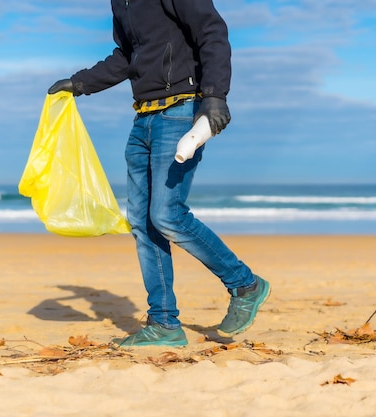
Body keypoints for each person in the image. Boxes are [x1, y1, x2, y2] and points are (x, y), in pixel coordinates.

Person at [48, 0, 270, 347]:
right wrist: (80, 83)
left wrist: (214, 97)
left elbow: (212, 32)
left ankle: (245, 284)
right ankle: (164, 324)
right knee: (143, 224)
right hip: (144, 120)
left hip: (181, 113)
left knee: (167, 215)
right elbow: (127, 55)